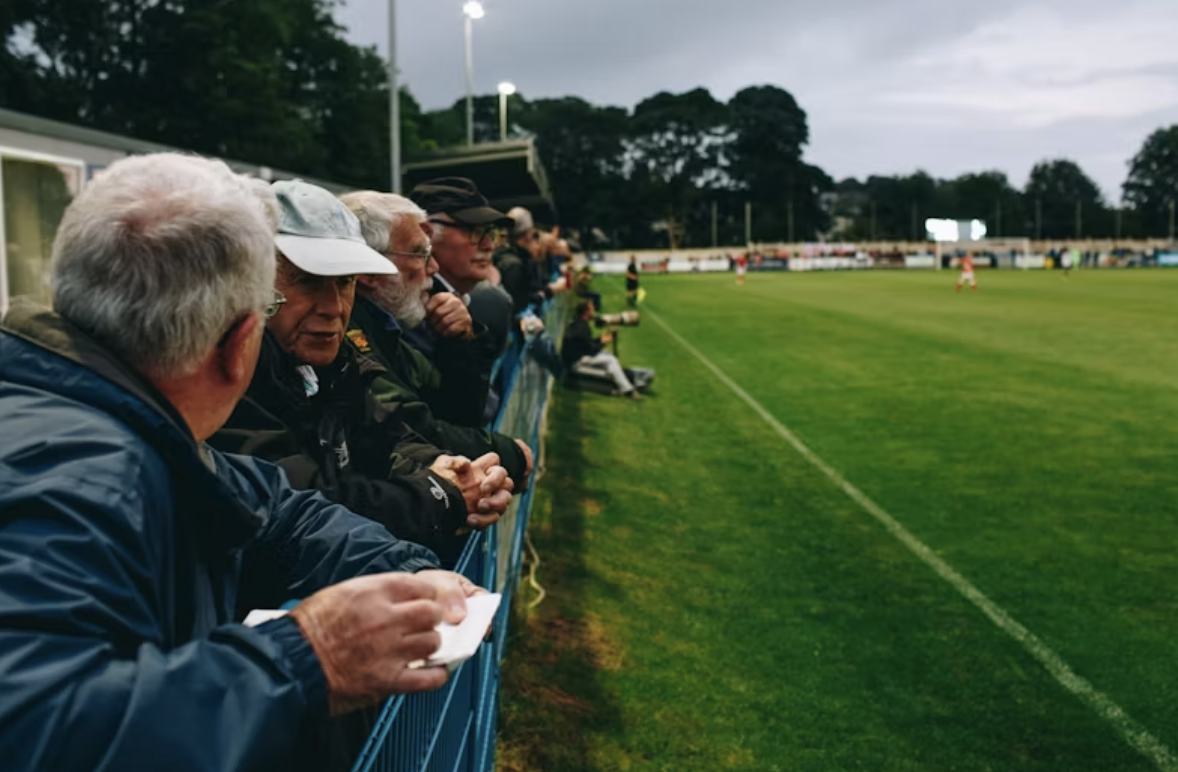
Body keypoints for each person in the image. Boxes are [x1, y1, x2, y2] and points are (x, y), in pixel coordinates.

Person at [0, 154, 483, 771]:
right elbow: (35, 731)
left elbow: (277, 513)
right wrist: (310, 658)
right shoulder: (81, 469)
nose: (334, 307)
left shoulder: (114, 424)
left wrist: (407, 574)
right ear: (239, 346)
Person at [211, 181, 514, 564]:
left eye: (345, 282)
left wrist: (458, 473)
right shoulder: (224, 377)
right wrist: (438, 495)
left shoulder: (336, 366)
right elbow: (301, 499)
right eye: (308, 280)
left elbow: (388, 439)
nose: (333, 306)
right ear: (250, 280)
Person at [340, 190, 534, 488]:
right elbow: (414, 429)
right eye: (420, 253)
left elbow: (456, 410)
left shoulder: (386, 330)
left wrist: (460, 342)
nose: (434, 268)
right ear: (370, 269)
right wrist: (508, 454)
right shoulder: (352, 333)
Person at [562, 300, 643, 400]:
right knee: (610, 360)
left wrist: (600, 339)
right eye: (592, 309)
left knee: (607, 355)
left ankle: (623, 380)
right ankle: (627, 390)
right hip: (576, 363)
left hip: (577, 358)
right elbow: (590, 350)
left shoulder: (579, 324)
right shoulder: (582, 328)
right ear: (586, 311)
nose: (594, 311)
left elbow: (586, 345)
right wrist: (603, 342)